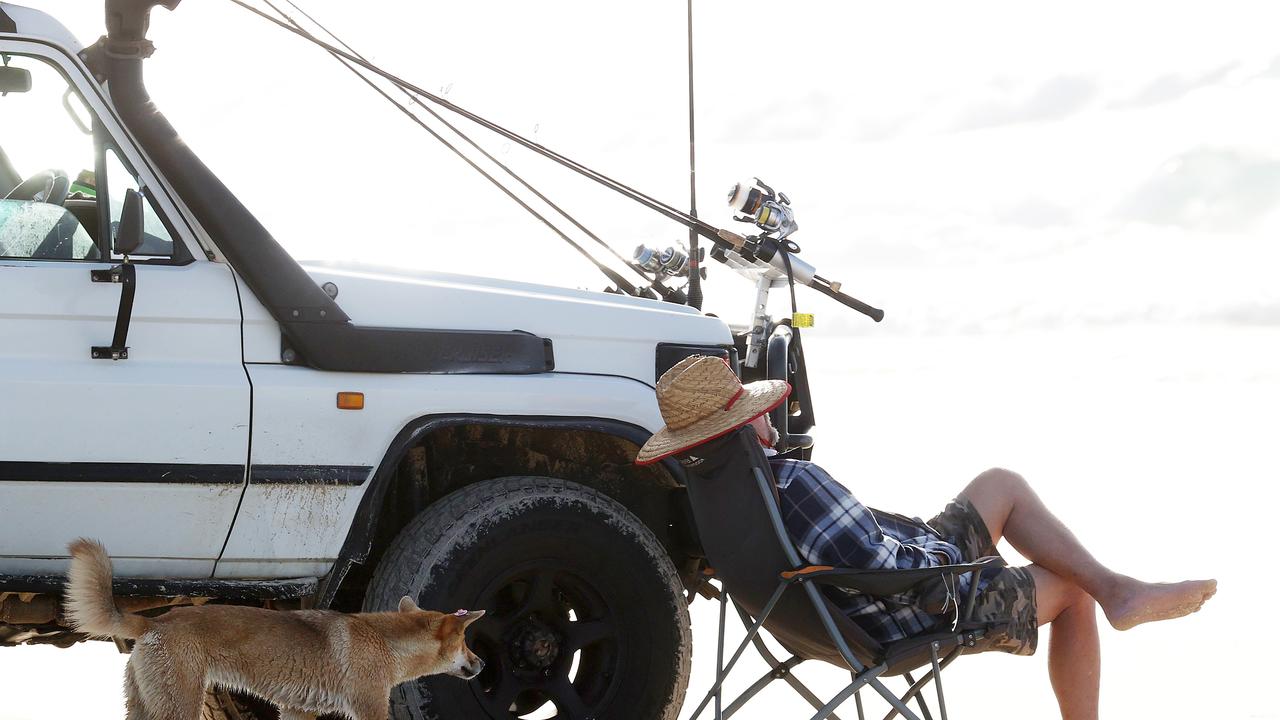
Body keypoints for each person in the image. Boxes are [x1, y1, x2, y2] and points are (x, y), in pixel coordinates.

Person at [635, 355, 1217, 720]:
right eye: (755, 410)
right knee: (1070, 589)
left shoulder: (710, 497)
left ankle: (1119, 589)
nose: (768, 417)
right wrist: (962, 562)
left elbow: (853, 550)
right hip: (908, 608)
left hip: (812, 616)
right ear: (745, 427)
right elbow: (884, 568)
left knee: (999, 484)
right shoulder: (796, 482)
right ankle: (1113, 594)